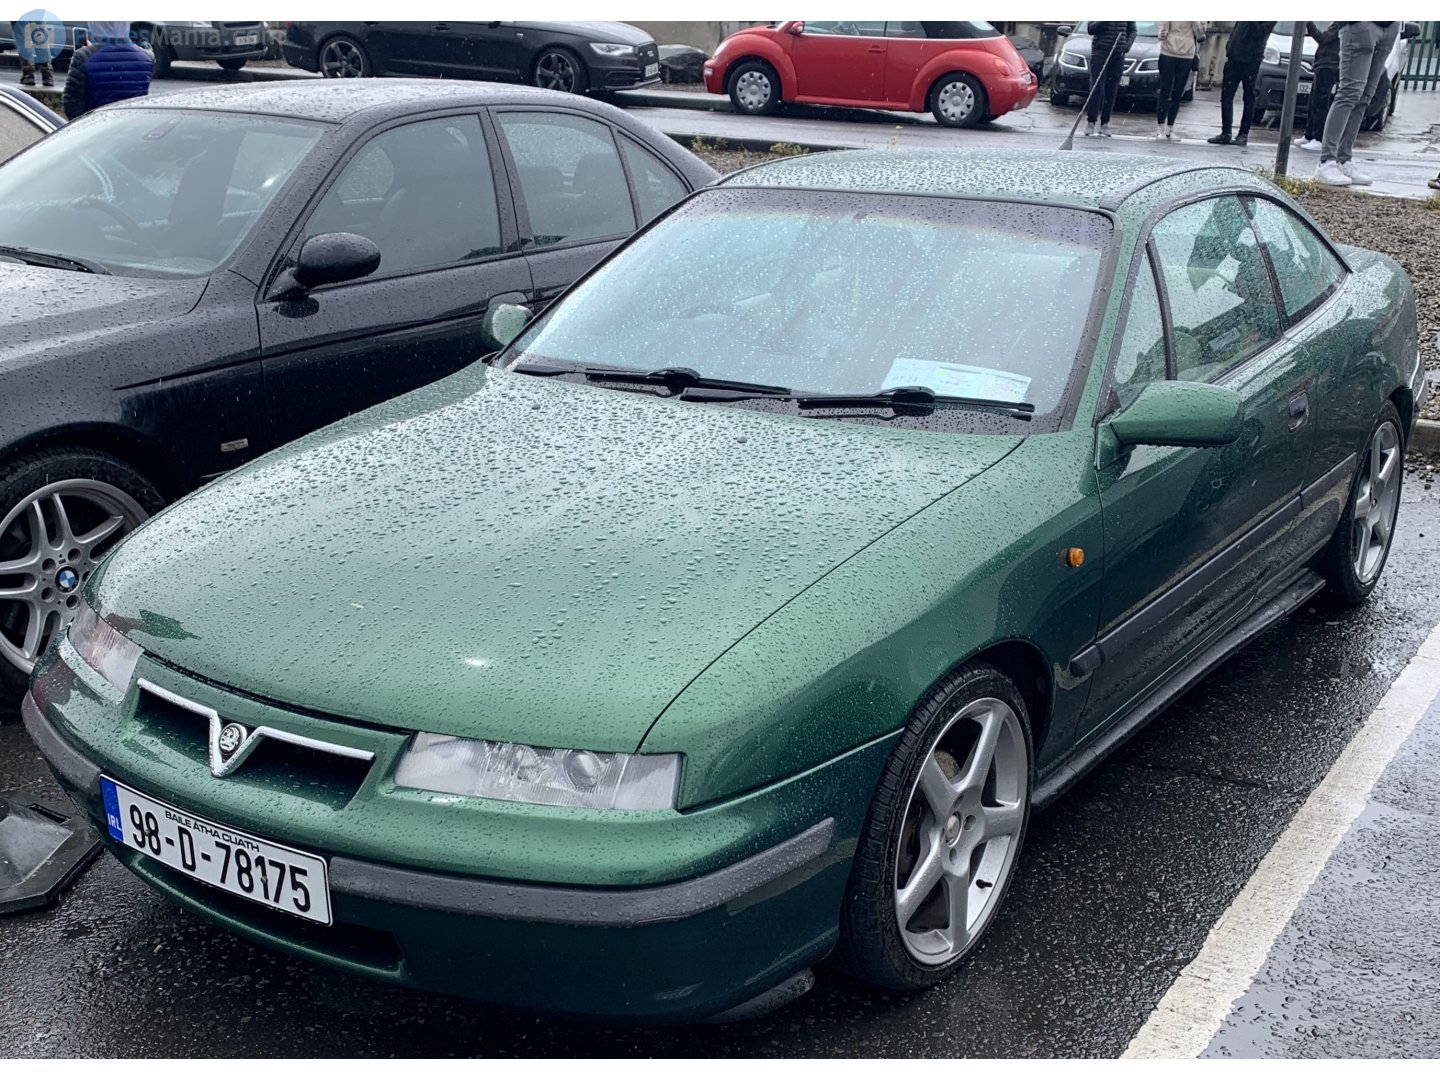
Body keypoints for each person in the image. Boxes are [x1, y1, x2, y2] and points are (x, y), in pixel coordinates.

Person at [1316, 21, 1400, 187]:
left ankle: (1343, 159)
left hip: (1388, 26)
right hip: (1361, 25)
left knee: (1364, 97)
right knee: (1349, 94)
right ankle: (1327, 161)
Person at [60, 20, 152, 121]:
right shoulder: (147, 58)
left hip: (97, 128)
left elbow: (71, 104)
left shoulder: (83, 57)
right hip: (131, 126)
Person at [1207, 20, 1276, 146]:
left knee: (1249, 98)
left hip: (1251, 60)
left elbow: (1259, 33)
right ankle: (1226, 132)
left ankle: (1243, 134)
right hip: (1234, 57)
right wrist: (1229, 46)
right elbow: (1237, 29)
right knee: (1226, 96)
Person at [1084, 21, 1135, 137]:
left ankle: (1105, 123)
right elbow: (1091, 29)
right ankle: (1091, 122)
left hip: (1118, 55)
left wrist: (1126, 46)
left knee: (1111, 91)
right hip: (1100, 53)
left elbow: (1133, 30)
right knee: (1096, 89)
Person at [1156, 21, 1205, 140]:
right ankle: (1160, 127)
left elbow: (1201, 35)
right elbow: (1162, 27)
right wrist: (1161, 34)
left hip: (1186, 55)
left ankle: (1170, 128)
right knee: (1165, 90)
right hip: (1168, 52)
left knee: (1177, 93)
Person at [1296, 22, 1341, 151]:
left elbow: (1323, 39)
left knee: (1320, 102)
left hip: (1329, 65)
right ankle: (1309, 134)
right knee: (1313, 101)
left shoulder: (1340, 24)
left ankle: (1319, 138)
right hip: (1323, 64)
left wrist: (1309, 24)